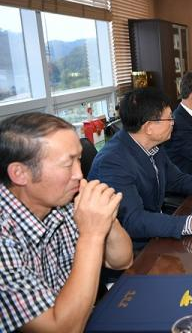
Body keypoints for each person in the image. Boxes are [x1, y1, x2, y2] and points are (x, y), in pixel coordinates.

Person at [0, 113, 133, 332]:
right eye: (67, 164)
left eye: (78, 159)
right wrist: (91, 235)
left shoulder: (60, 202)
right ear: (20, 173)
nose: (79, 174)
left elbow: (122, 260)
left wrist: (107, 218)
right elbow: (64, 329)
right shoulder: (4, 237)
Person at [88, 88, 192, 249]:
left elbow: (178, 179)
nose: (174, 122)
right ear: (149, 127)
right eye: (169, 118)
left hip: (157, 231)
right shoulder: (112, 162)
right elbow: (134, 220)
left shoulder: (152, 145)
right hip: (134, 249)